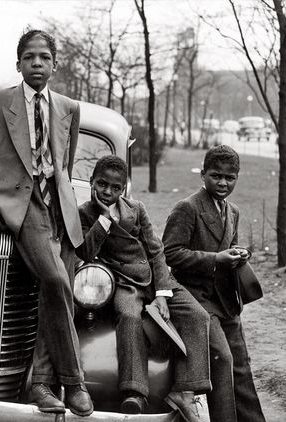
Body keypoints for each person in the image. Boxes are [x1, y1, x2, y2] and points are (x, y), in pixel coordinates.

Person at [0, 29, 93, 417]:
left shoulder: (69, 107)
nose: (37, 63)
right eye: (29, 57)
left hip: (61, 210)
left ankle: (41, 384)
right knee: (56, 281)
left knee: (54, 293)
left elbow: (65, 165)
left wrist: (63, 201)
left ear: (55, 64)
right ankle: (75, 381)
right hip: (21, 204)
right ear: (18, 63)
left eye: (44, 57)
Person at [76, 155, 211, 422]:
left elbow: (156, 251)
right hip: (123, 282)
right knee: (128, 316)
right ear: (92, 182)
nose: (108, 192)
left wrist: (162, 293)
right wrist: (104, 219)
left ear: (123, 189)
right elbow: (86, 253)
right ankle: (135, 391)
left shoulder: (136, 208)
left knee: (198, 316)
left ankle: (185, 390)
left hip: (153, 279)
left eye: (115, 187)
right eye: (102, 184)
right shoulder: (84, 213)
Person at [162, 145, 265, 422]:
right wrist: (215, 259)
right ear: (203, 174)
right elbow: (170, 253)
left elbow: (229, 244)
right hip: (195, 298)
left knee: (240, 363)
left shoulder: (233, 211)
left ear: (237, 178)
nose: (222, 183)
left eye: (230, 178)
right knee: (222, 359)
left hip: (224, 299)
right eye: (216, 176)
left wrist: (239, 253)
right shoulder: (187, 208)